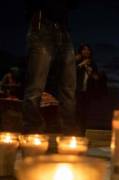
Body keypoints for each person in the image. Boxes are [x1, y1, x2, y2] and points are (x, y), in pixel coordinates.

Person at [22, 0, 79, 134]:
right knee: (35, 87)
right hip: (42, 27)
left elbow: (74, 4)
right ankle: (32, 132)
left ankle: (69, 132)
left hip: (63, 31)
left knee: (68, 88)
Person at [75, 43, 107, 135]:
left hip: (87, 92)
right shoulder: (76, 60)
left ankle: (82, 134)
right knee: (75, 112)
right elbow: (69, 72)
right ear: (81, 51)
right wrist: (81, 65)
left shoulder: (92, 63)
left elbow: (96, 78)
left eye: (88, 50)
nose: (87, 51)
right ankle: (74, 134)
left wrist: (93, 74)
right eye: (84, 49)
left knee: (84, 113)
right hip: (76, 91)